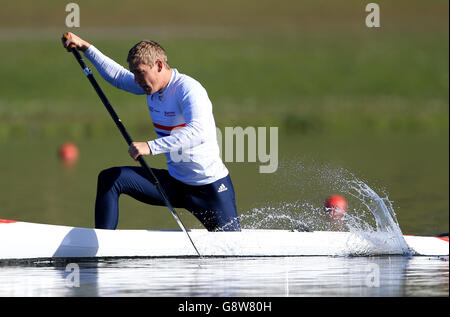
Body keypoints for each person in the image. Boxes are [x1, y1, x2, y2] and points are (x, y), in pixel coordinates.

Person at [63, 32, 241, 232]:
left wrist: (150, 146)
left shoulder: (188, 89)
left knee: (230, 247)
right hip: (175, 184)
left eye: (139, 72)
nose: (137, 80)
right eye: (135, 74)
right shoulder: (151, 86)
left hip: (210, 188)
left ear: (158, 65)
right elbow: (119, 77)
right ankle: (103, 245)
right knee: (111, 178)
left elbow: (198, 132)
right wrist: (86, 47)